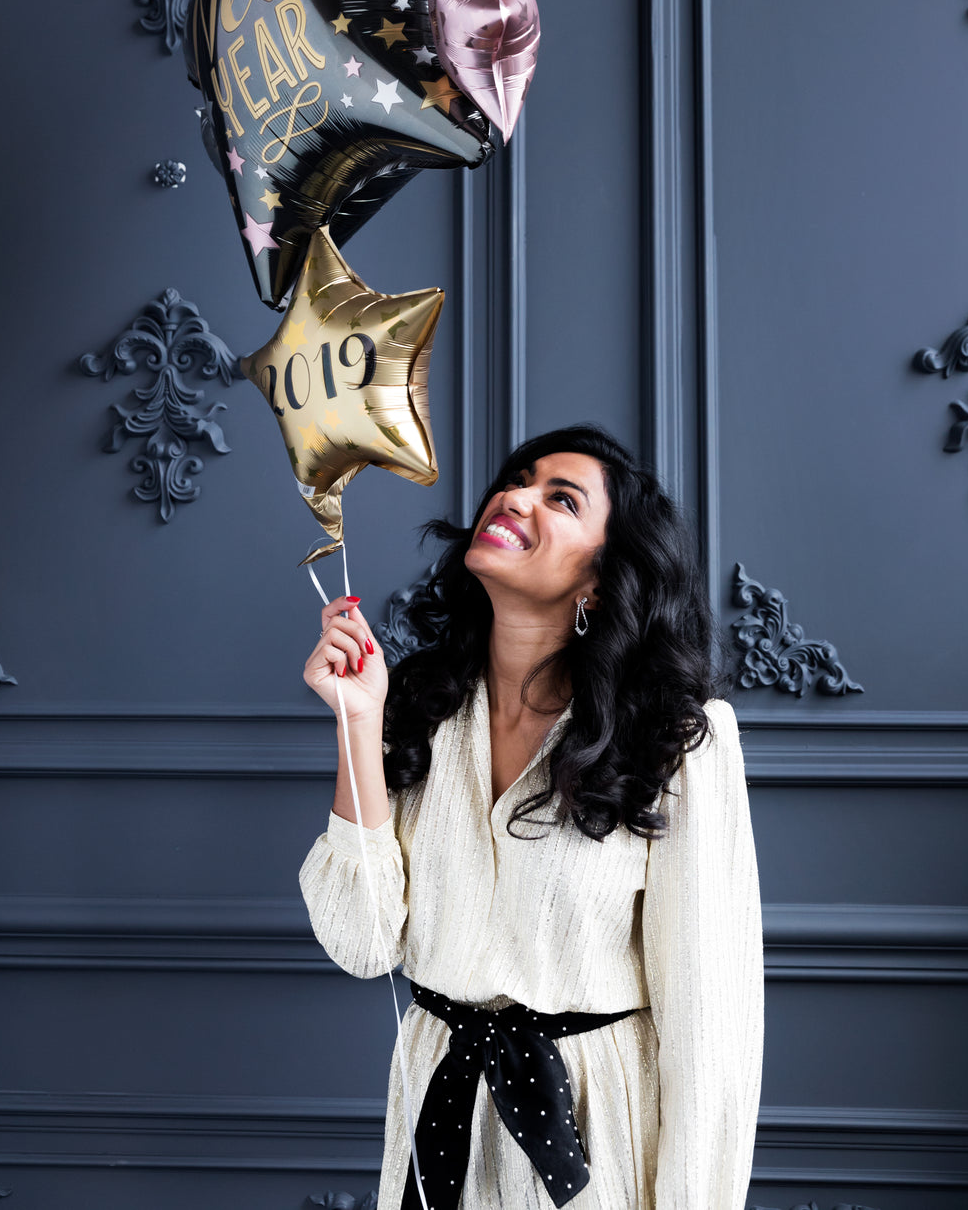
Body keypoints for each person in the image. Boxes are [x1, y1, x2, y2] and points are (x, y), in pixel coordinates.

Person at [299, 423, 764, 1210]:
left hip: (596, 1137)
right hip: (440, 1120)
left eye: (561, 497)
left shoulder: (680, 738)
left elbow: (711, 1025)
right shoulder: (420, 706)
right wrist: (357, 718)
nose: (514, 495)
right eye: (517, 478)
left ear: (599, 577)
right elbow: (363, 940)